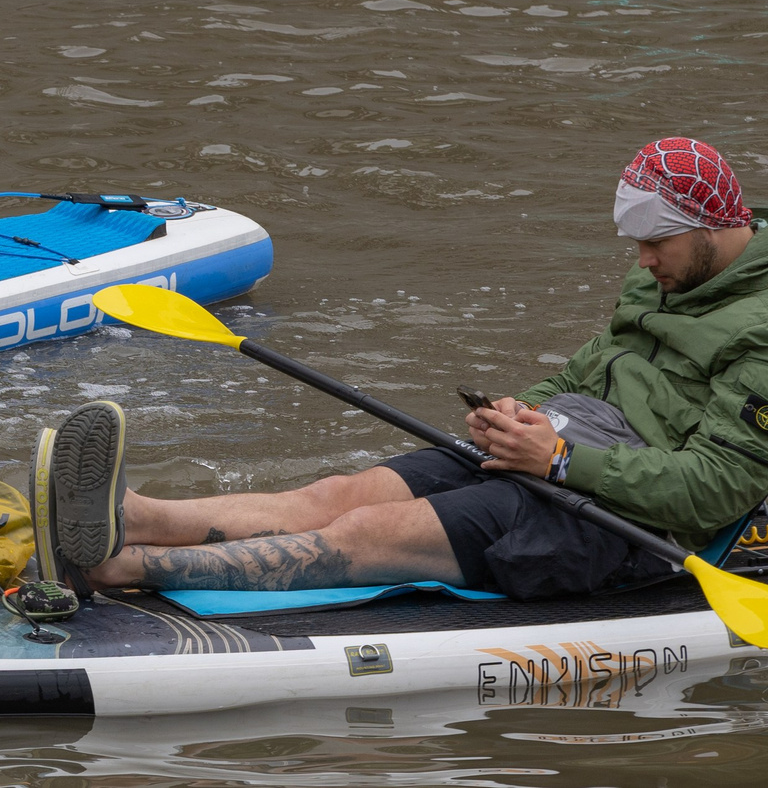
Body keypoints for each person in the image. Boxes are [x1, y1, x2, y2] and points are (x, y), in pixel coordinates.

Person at [37, 138, 768, 601]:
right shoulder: (664, 277)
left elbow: (715, 490)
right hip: (558, 452)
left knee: (370, 530)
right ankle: (132, 516)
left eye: (655, 244)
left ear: (708, 229)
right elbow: (586, 370)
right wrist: (522, 412)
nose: (640, 261)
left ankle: (117, 567)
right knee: (336, 491)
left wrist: (562, 458)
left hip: (620, 517)